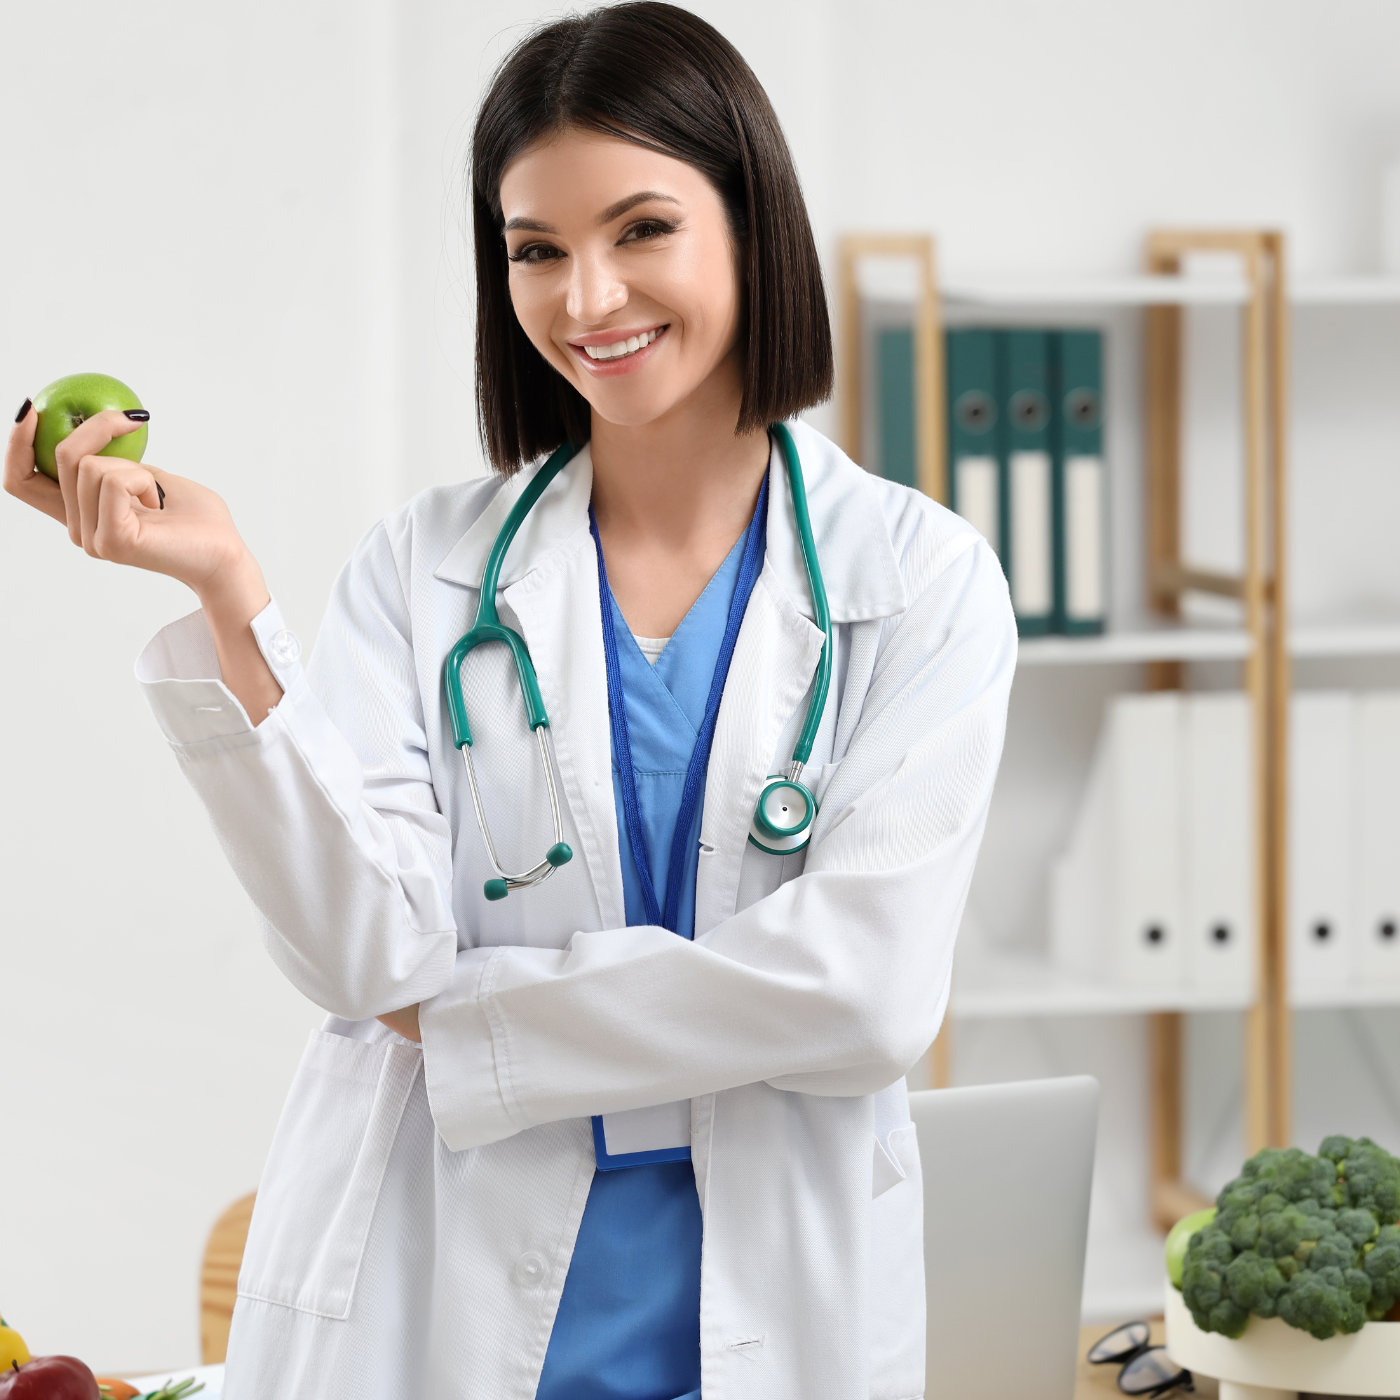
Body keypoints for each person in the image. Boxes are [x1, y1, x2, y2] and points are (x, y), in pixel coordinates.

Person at [5, 5, 1015, 1397]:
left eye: (641, 229)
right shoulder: (427, 569)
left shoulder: (919, 582)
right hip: (444, 1305)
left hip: (776, 1309)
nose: (587, 299)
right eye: (536, 250)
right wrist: (231, 593)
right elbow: (368, 960)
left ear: (751, 223)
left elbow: (867, 995)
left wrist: (466, 1019)